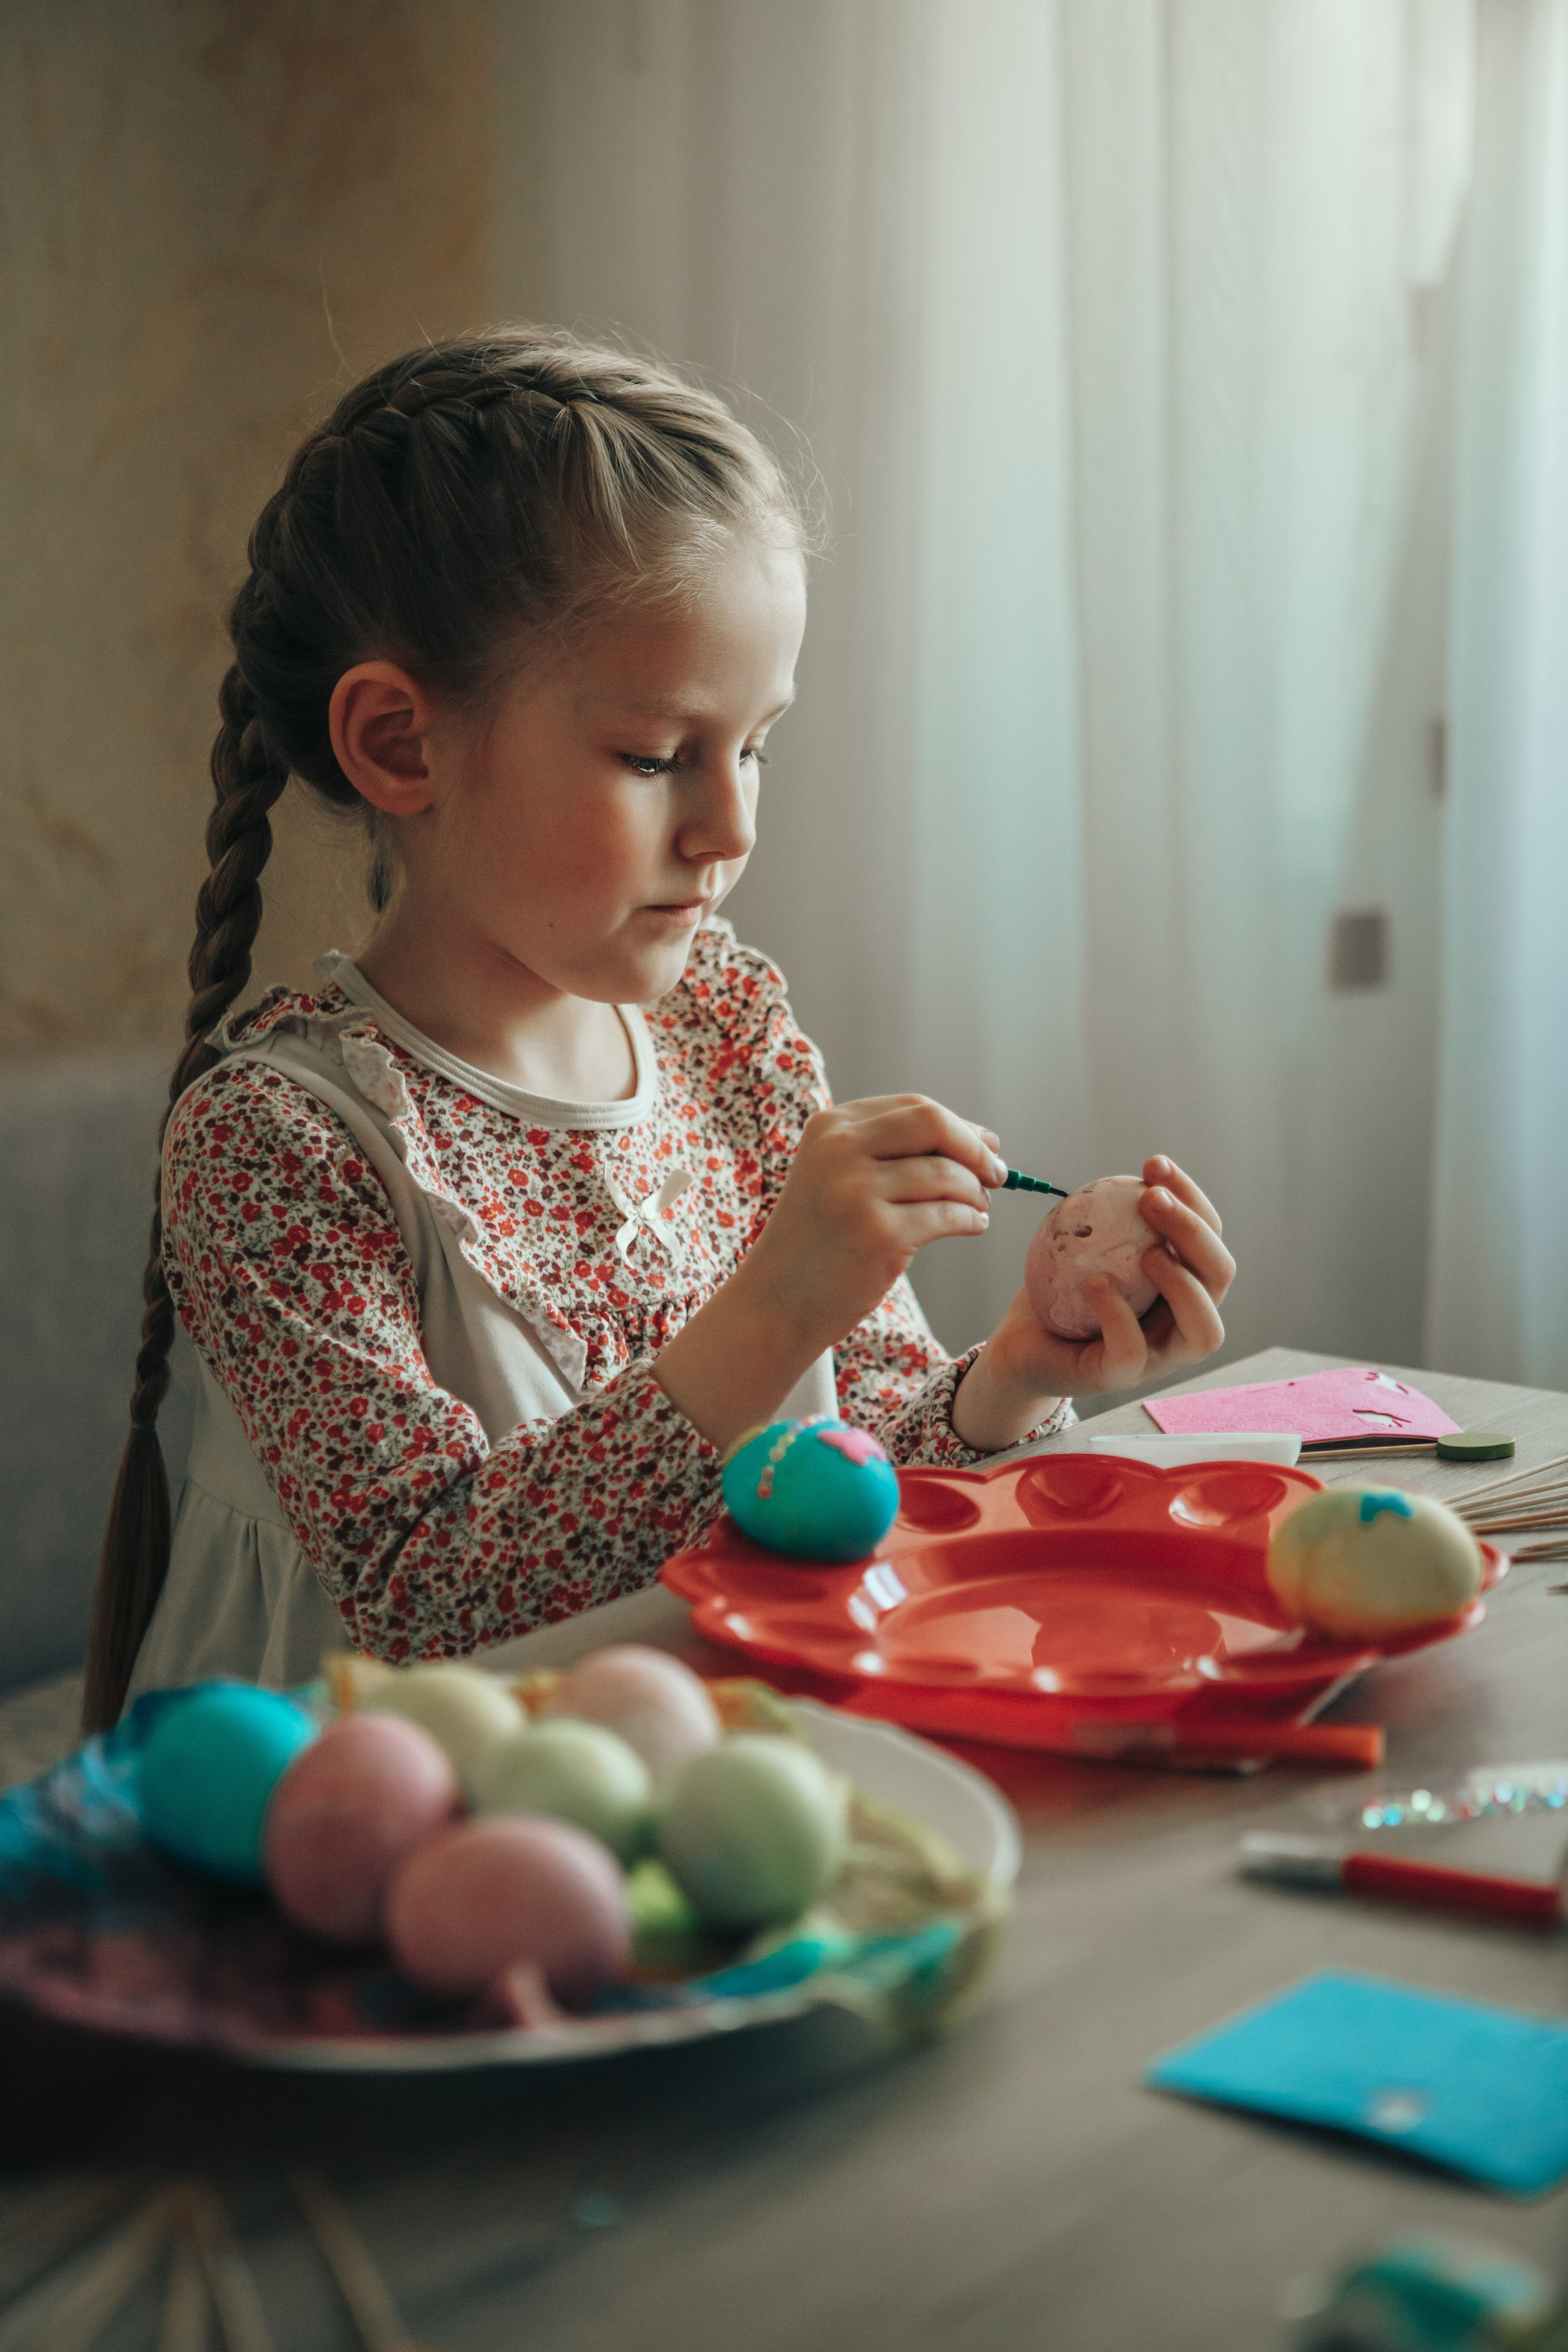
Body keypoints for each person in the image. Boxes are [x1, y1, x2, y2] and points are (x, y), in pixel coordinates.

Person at [84, 330, 1235, 1728]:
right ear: (400, 744)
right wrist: (774, 1308)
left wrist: (1009, 1376)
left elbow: (858, 1457)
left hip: (709, 1762)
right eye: (654, 756)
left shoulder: (727, 1025)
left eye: (754, 745)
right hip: (370, 1823)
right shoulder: (275, 1141)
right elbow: (426, 1605)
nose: (732, 827)